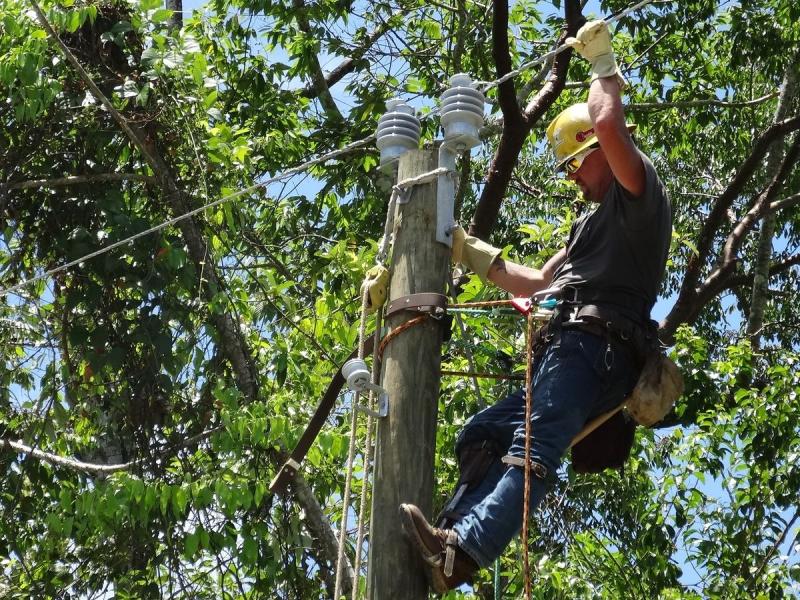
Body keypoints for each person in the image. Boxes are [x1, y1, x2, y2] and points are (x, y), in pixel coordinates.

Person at [399, 20, 673, 593]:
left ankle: (468, 551)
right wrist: (464, 247)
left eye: (575, 164)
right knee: (485, 430)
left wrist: (603, 66)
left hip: (597, 349)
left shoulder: (637, 199)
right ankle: (452, 535)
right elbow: (530, 284)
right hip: (567, 352)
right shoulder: (586, 228)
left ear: (600, 152)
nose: (572, 179)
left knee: (535, 444)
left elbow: (606, 120)